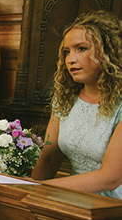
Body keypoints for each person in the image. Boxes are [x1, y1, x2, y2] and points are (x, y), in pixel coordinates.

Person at [32, 10, 122, 200]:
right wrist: (25, 192)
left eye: (81, 48)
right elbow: (48, 157)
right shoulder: (65, 98)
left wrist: (40, 189)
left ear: (107, 52)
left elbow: (110, 178)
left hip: (113, 204)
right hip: (72, 196)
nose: (70, 59)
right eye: (67, 51)